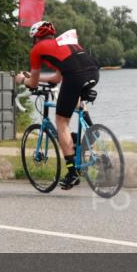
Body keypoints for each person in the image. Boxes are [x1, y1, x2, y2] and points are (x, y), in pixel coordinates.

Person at [15, 21, 99, 189]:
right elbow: (56, 79)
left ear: (36, 38)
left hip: (75, 76)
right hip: (93, 72)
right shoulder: (63, 43)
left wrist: (22, 79)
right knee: (76, 101)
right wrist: (36, 78)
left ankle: (72, 173)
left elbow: (32, 83)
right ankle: (91, 131)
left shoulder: (37, 49)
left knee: (61, 121)